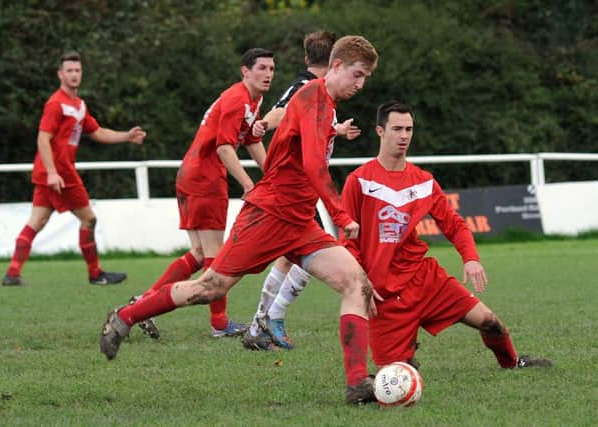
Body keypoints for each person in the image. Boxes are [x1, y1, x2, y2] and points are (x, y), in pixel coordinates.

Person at [100, 35, 380, 405]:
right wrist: (342, 214)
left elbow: (293, 137)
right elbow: (312, 164)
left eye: (366, 79)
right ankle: (125, 315)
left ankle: (357, 384)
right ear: (338, 65)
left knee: (357, 285)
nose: (361, 85)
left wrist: (335, 131)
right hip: (268, 215)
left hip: (299, 222)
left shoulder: (323, 103)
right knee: (210, 287)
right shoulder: (312, 97)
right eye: (357, 75)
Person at [340, 100, 553, 392]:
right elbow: (348, 240)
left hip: (425, 280)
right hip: (384, 296)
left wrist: (471, 258)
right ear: (380, 131)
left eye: (409, 129)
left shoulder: (424, 182)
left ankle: (513, 362)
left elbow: (454, 224)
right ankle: (407, 359)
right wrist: (360, 281)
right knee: (393, 379)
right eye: (397, 129)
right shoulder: (359, 181)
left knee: (491, 322)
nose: (404, 135)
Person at [128, 48, 275, 339]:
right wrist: (249, 185)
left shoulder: (251, 99)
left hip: (191, 173)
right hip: (205, 178)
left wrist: (272, 172)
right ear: (245, 71)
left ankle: (142, 303)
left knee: (198, 253)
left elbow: (252, 140)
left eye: (272, 68)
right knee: (215, 256)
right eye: (262, 68)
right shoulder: (237, 99)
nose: (268, 74)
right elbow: (224, 148)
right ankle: (219, 324)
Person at [243, 30, 362, 351]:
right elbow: (282, 110)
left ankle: (261, 324)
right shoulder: (305, 87)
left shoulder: (324, 93)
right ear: (335, 63)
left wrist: (336, 131)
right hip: (295, 190)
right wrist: (264, 124)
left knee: (290, 259)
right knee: (302, 259)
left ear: (308, 57)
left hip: (302, 191)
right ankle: (267, 321)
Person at [1, 51, 146, 287]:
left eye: (77, 70)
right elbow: (42, 139)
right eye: (69, 70)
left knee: (37, 221)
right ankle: (96, 274)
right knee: (88, 219)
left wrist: (126, 136)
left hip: (55, 172)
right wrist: (52, 172)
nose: (74, 74)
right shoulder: (56, 104)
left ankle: (12, 273)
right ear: (60, 74)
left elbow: (97, 132)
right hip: (59, 173)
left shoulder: (78, 105)